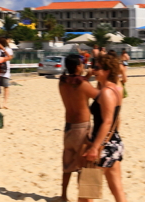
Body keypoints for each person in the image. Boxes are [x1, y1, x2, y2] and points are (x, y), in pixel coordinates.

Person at [80, 53, 126, 202]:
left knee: (86, 194)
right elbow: (115, 120)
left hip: (103, 146)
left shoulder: (106, 92)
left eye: (97, 68)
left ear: (107, 71)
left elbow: (107, 121)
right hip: (114, 142)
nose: (93, 70)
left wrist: (94, 147)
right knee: (117, 190)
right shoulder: (115, 89)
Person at [58, 54, 99, 202]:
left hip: (68, 127)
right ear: (77, 66)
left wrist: (86, 77)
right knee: (86, 166)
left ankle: (63, 195)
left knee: (67, 164)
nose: (83, 66)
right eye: (81, 64)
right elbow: (98, 96)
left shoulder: (62, 82)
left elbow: (76, 85)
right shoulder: (83, 84)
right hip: (82, 128)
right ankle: (85, 199)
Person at [0, 37, 14, 109]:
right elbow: (10, 57)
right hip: (6, 72)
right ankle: (5, 103)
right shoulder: (9, 50)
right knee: (6, 88)